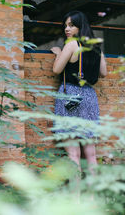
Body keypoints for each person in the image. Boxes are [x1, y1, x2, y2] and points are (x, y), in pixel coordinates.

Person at [51, 11, 107, 174]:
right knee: (91, 154)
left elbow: (56, 69)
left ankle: (75, 198)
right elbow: (104, 73)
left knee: (73, 153)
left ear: (80, 26)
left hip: (71, 97)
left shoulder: (72, 45)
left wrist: (59, 53)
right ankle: (91, 197)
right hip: (89, 96)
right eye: (66, 26)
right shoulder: (96, 48)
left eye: (71, 25)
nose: (67, 29)